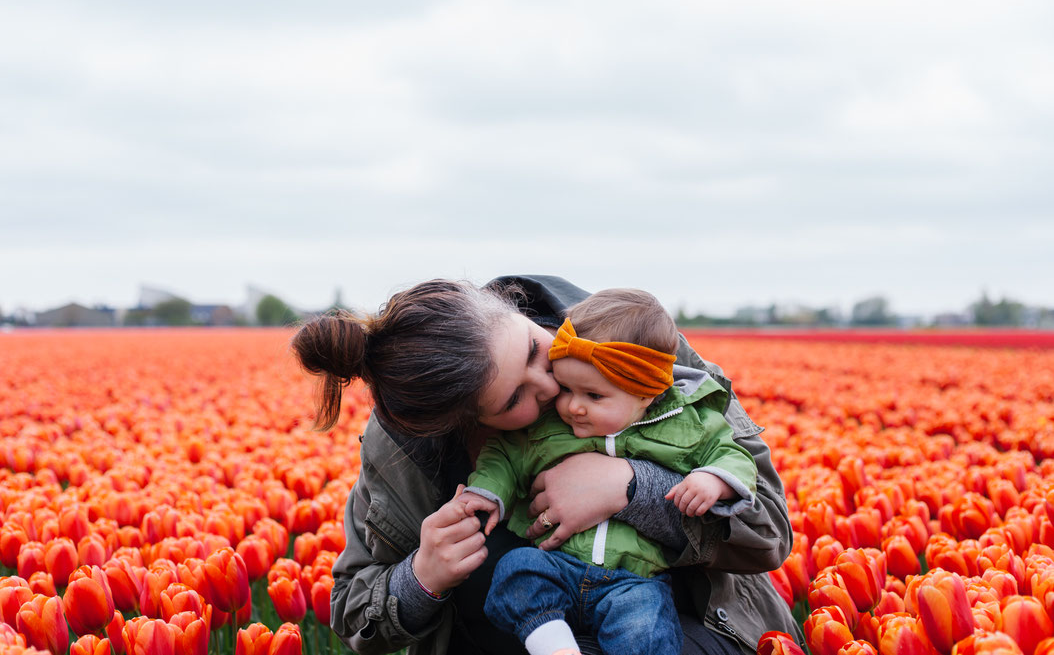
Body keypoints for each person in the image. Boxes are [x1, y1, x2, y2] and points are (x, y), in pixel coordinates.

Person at [291, 275, 802, 655]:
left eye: (537, 347)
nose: (554, 385)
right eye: (517, 396)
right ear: (465, 422)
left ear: (513, 309)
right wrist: (423, 575)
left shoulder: (628, 344)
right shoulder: (402, 448)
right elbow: (352, 614)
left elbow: (769, 531)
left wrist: (631, 487)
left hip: (678, 629)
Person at [458, 288, 759, 655]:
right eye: (567, 388)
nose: (571, 405)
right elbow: (503, 456)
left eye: (593, 396)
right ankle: (554, 646)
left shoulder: (687, 425)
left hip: (633, 579)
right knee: (518, 569)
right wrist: (486, 492)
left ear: (646, 394)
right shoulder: (546, 429)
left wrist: (714, 479)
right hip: (559, 563)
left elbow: (732, 454)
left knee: (644, 626)